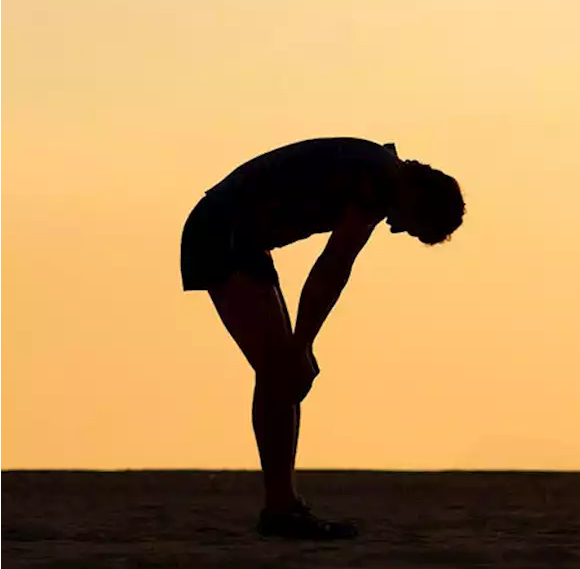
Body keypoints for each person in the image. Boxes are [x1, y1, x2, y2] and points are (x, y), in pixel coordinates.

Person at [180, 137, 465, 540]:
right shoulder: (378, 183)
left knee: (283, 374)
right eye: (413, 227)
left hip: (240, 240)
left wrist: (301, 345)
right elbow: (331, 270)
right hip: (219, 233)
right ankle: (279, 508)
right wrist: (302, 345)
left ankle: (284, 503)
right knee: (280, 370)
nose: (398, 229)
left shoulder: (382, 173)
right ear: (418, 199)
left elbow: (330, 273)